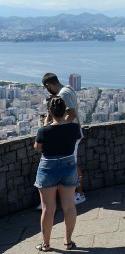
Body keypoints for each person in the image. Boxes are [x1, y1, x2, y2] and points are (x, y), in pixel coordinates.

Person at [33, 96, 82, 252]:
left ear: (50, 111)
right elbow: (74, 139)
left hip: (48, 167)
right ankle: (68, 242)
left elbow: (37, 147)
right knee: (69, 205)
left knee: (48, 209)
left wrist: (46, 124)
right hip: (68, 165)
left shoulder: (44, 130)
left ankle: (46, 244)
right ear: (64, 110)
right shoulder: (74, 128)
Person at [42, 72, 85, 205]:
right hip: (73, 132)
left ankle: (79, 194)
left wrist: (59, 125)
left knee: (72, 165)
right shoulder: (68, 89)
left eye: (47, 87)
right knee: (72, 163)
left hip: (70, 135)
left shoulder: (63, 94)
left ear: (49, 85)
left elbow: (71, 114)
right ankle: (77, 193)